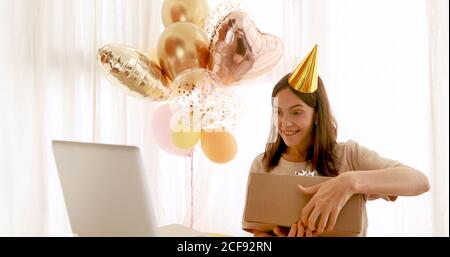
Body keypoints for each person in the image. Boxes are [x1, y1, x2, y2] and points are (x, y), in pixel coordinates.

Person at [242, 46, 430, 237]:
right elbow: (259, 233)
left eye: (296, 112)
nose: (285, 123)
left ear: (317, 114)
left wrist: (349, 182)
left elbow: (419, 181)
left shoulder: (349, 156)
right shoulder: (262, 164)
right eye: (278, 112)